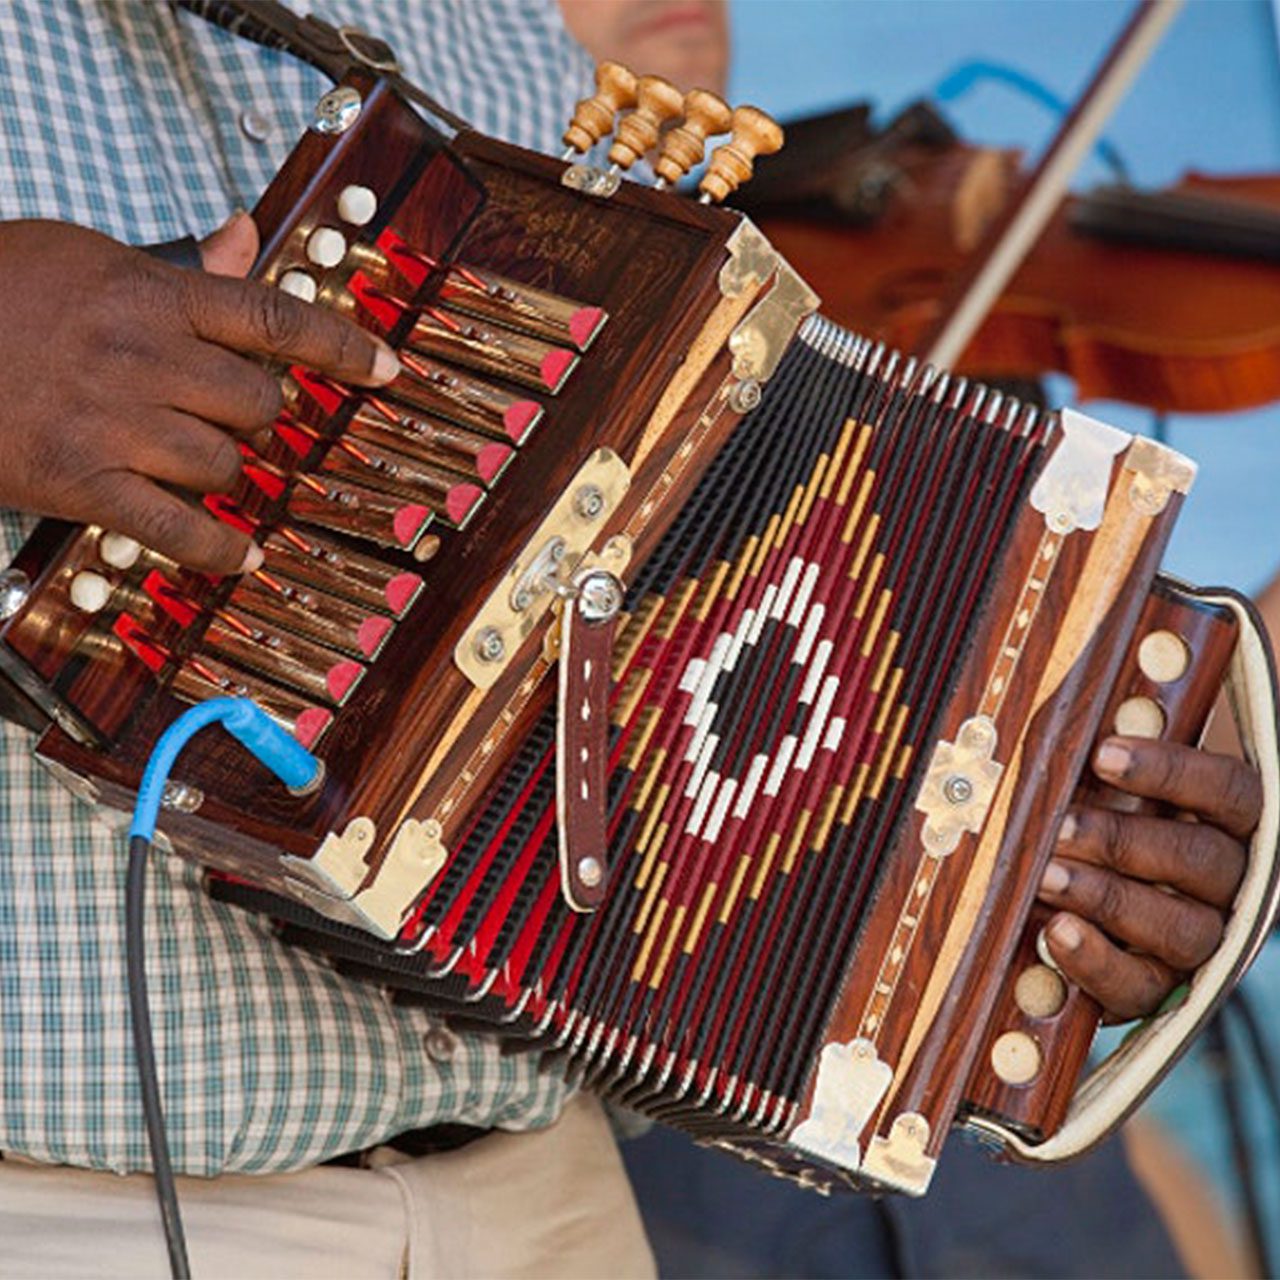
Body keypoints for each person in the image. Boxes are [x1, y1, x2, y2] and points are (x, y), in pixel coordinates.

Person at [0, 2, 1263, 1276]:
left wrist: (1041, 849)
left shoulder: (491, 36)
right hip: (71, 1209)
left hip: (550, 1195)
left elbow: (647, 664)